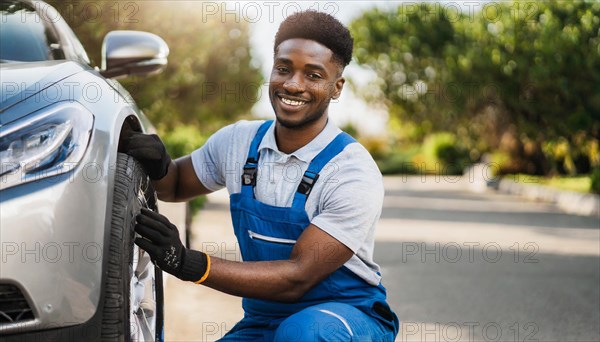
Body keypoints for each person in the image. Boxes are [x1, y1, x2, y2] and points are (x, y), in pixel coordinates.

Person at [123, 10, 399, 341]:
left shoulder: (352, 171)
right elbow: (177, 185)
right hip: (264, 320)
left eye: (313, 75)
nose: (293, 84)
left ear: (337, 87)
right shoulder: (238, 142)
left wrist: (187, 262)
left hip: (344, 317)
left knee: (303, 333)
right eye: (284, 69)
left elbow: (297, 277)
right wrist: (158, 164)